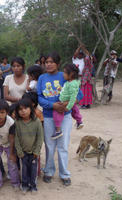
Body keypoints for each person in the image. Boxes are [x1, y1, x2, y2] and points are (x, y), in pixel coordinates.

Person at [37, 52, 82, 186]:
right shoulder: (42, 78)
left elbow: (79, 95)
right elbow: (39, 97)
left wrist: (68, 106)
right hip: (48, 116)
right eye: (46, 62)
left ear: (58, 63)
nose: (48, 64)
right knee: (50, 145)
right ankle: (49, 171)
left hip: (65, 117)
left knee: (63, 145)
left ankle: (64, 174)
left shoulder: (66, 76)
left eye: (51, 62)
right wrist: (53, 105)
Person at [14, 98, 44, 194]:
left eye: (25, 108)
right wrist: (19, 151)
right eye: (20, 109)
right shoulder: (17, 123)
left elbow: (40, 137)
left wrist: (37, 151)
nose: (23, 111)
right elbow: (16, 138)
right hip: (23, 153)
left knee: (34, 170)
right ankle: (25, 185)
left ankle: (33, 186)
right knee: (24, 170)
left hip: (34, 152)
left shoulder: (37, 122)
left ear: (31, 108)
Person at [52, 64, 84, 139]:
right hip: (67, 102)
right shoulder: (70, 82)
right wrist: (61, 89)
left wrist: (68, 106)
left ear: (71, 74)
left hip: (65, 103)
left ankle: (58, 130)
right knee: (75, 111)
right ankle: (79, 121)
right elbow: (66, 91)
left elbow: (73, 97)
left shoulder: (72, 84)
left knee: (57, 113)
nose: (63, 74)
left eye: (65, 72)